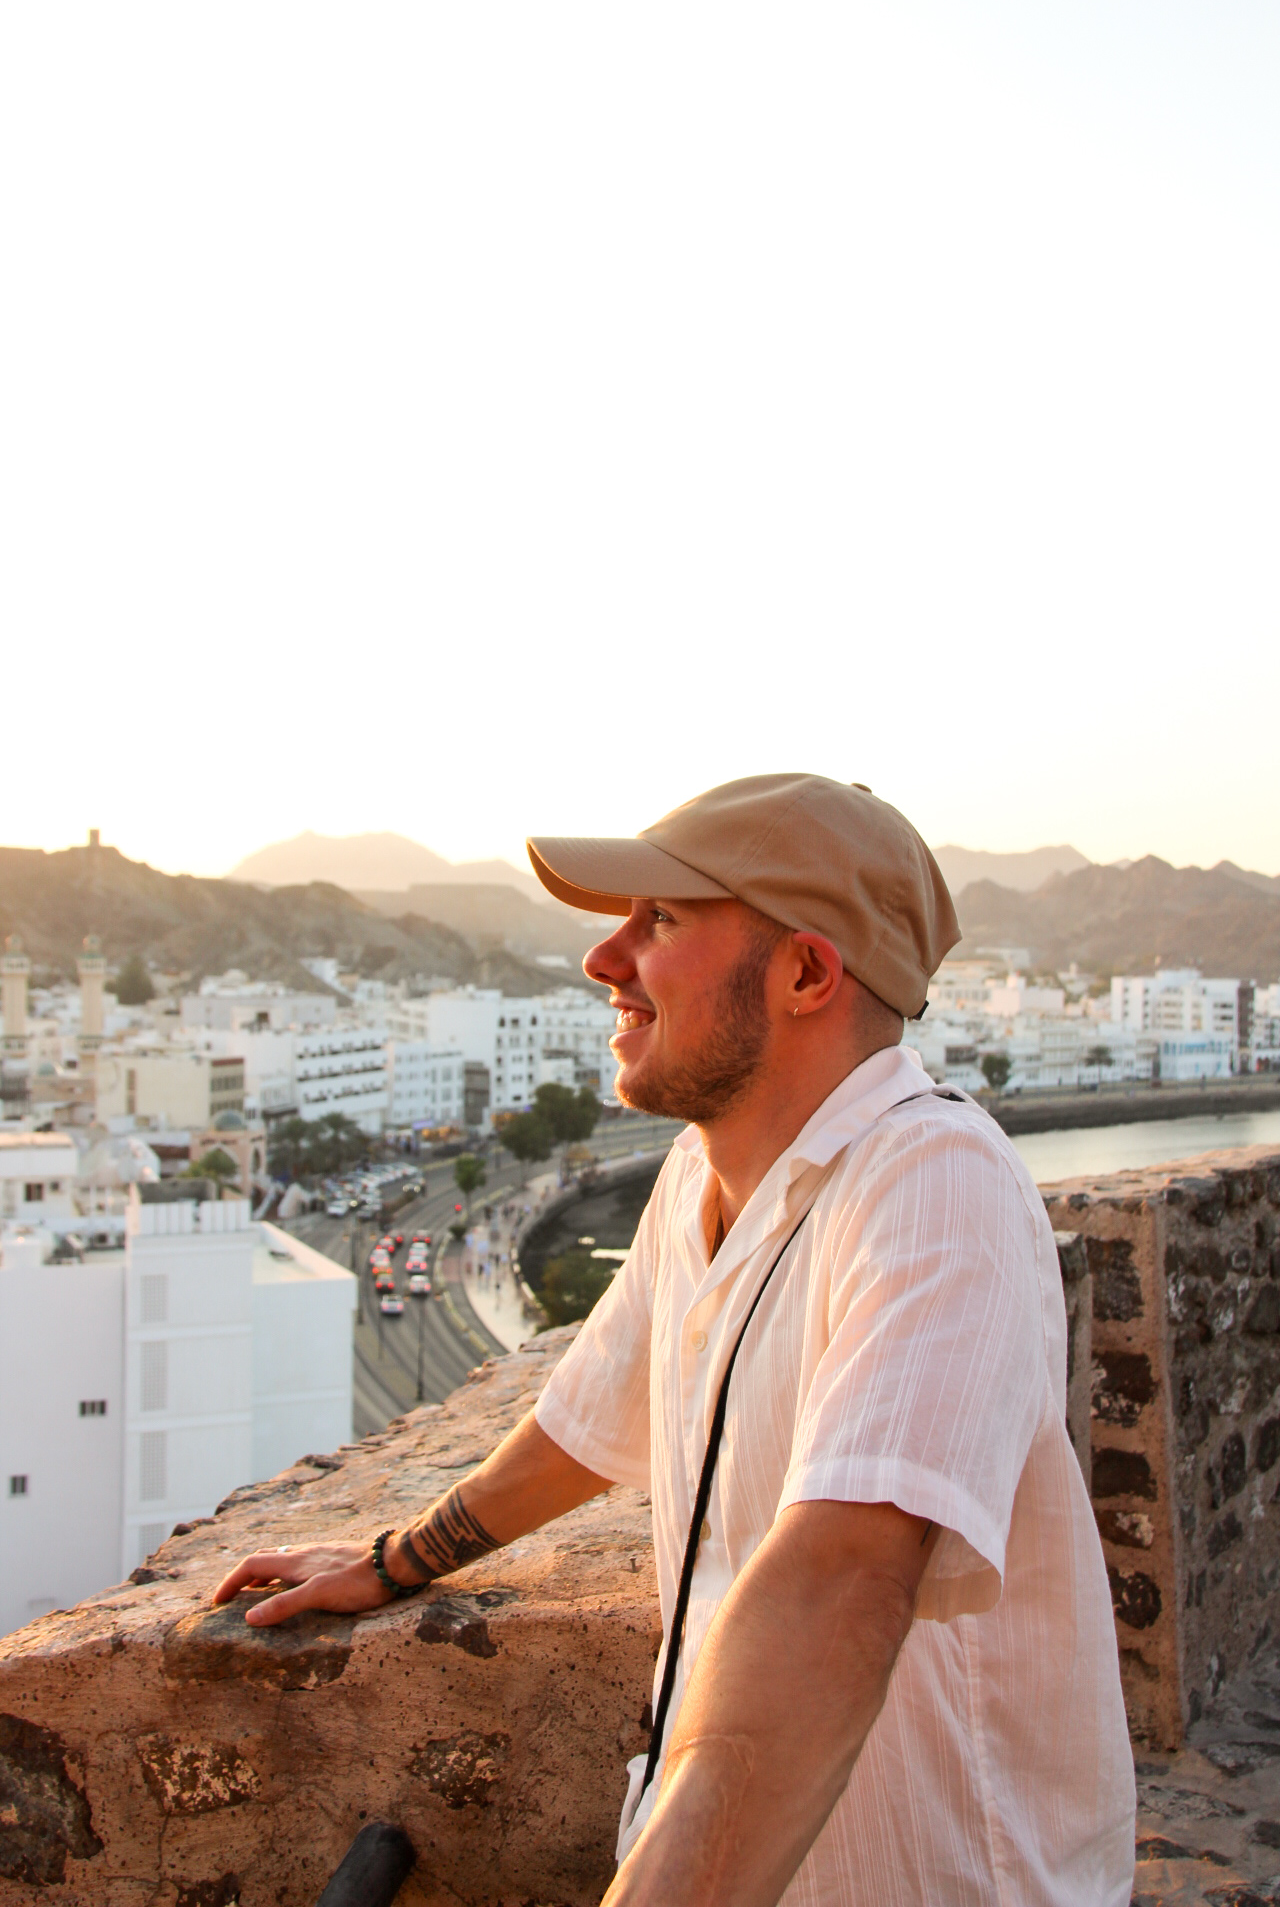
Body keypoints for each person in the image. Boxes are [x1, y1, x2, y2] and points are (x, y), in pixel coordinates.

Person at [214, 773, 1135, 1906]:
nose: (605, 960)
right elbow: (585, 1419)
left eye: (659, 921)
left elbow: (840, 1573)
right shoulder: (702, 1173)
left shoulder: (936, 1186)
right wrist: (397, 1559)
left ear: (804, 972)